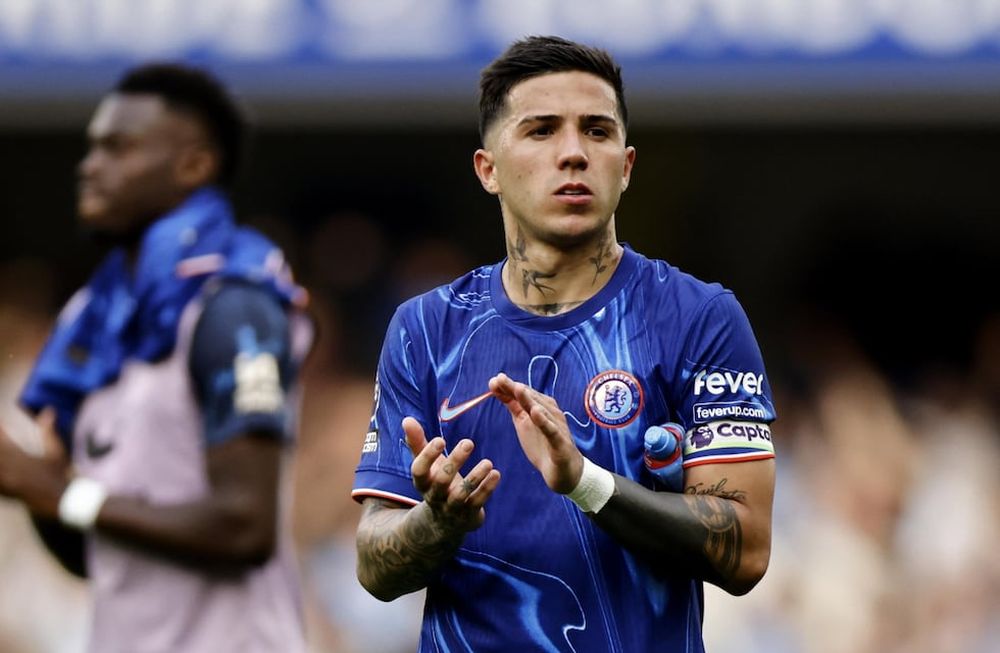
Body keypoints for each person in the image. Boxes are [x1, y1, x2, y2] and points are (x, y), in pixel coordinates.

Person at [352, 35, 778, 652]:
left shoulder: (699, 317)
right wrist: (436, 523)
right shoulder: (425, 329)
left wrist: (585, 482)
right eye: (542, 130)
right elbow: (373, 567)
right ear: (488, 169)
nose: (574, 153)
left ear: (626, 168)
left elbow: (747, 550)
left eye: (597, 131)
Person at [0, 63, 311, 653]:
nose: (89, 165)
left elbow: (246, 528)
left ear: (194, 165)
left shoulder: (232, 305)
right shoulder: (92, 320)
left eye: (118, 148)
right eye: (92, 147)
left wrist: (62, 493)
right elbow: (97, 557)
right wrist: (38, 490)